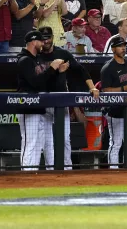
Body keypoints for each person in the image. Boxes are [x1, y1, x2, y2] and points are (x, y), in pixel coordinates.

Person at [38, 26, 99, 170]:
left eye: (48, 37)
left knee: (65, 139)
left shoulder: (62, 53)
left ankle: (67, 168)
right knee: (47, 141)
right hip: (43, 102)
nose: (46, 41)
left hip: (61, 101)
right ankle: (51, 169)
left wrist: (92, 87)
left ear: (53, 37)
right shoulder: (36, 56)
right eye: (43, 38)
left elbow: (81, 70)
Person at [16, 29, 64, 171]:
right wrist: (51, 68)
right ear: (32, 42)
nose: (43, 43)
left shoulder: (36, 59)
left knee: (38, 142)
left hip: (39, 106)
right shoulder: (24, 60)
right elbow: (34, 82)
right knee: (29, 142)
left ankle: (33, 171)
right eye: (40, 40)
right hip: (27, 106)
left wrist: (56, 71)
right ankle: (26, 173)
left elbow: (44, 82)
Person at [100, 36, 127, 168]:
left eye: (124, 45)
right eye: (120, 46)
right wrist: (124, 88)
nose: (123, 48)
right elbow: (106, 90)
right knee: (116, 142)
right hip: (114, 111)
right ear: (113, 49)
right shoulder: (108, 67)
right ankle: (113, 169)